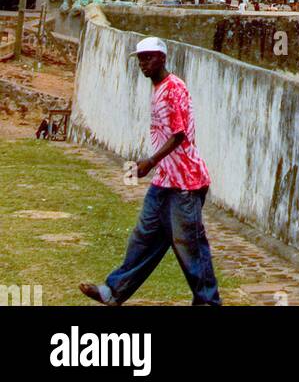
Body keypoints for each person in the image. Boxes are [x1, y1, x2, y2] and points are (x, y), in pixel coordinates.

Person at [79, 36, 221, 307]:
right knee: (144, 238)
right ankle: (114, 290)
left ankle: (208, 302)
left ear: (162, 58)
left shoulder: (173, 88)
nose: (144, 63)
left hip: (186, 183)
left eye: (149, 57)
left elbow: (179, 135)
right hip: (165, 180)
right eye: (140, 59)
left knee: (189, 246)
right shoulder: (157, 89)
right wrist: (154, 166)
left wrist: (150, 161)